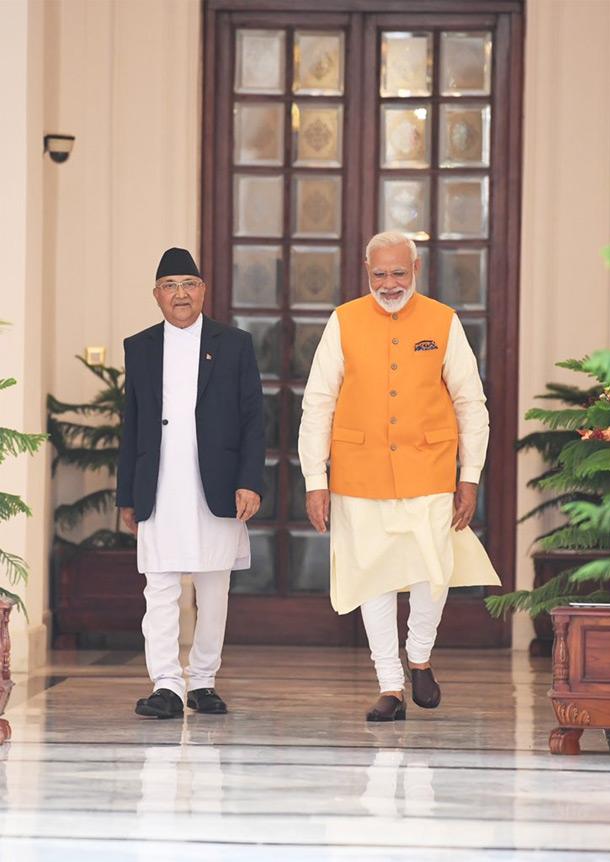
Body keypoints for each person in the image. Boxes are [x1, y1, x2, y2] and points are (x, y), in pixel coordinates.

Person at [298, 231, 500, 722]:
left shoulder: (443, 320)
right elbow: (318, 402)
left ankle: (420, 657)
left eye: (398, 273)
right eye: (379, 274)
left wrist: (470, 475)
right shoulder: (343, 320)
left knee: (434, 570)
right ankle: (390, 685)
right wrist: (315, 479)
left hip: (429, 468)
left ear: (417, 270)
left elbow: (471, 402)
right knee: (375, 579)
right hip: (358, 471)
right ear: (366, 272)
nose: (389, 283)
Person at [117, 247, 264, 719]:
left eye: (188, 284)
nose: (179, 294)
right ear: (156, 295)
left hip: (216, 485)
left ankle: (202, 681)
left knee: (213, 585)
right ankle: (166, 684)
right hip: (157, 484)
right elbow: (132, 423)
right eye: (169, 286)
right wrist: (126, 495)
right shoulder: (139, 346)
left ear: (202, 290)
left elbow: (253, 418)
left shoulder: (234, 343)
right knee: (159, 585)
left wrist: (250, 481)